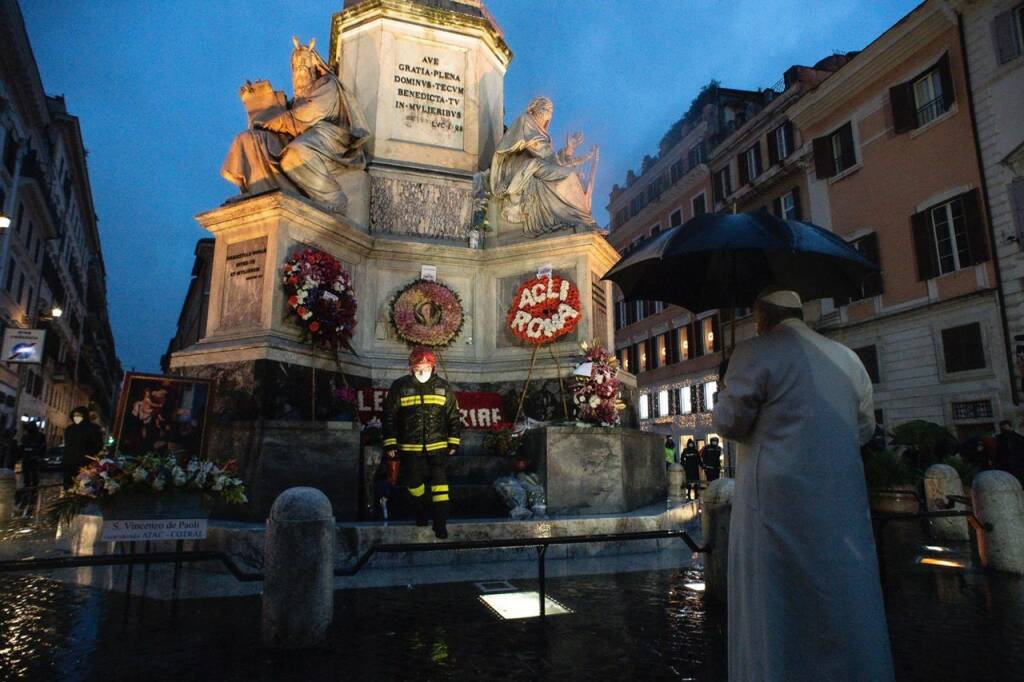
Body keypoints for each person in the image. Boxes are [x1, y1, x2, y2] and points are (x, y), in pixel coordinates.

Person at [712, 287, 893, 682]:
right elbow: (863, 429)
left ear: (762, 316)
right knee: (842, 597)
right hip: (839, 505)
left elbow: (729, 423)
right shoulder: (848, 359)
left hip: (775, 507)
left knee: (777, 610)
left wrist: (721, 391)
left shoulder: (754, 352)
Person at [222, 37, 369, 213]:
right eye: (296, 70)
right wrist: (257, 103)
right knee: (248, 139)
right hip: (299, 135)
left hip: (329, 136)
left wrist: (275, 121)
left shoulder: (327, 84)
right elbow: (277, 119)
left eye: (304, 68)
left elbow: (309, 113)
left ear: (314, 67)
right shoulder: (295, 100)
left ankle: (333, 198)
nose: (299, 73)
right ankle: (258, 191)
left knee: (295, 155)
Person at [382, 347, 462, 539]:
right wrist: (391, 444)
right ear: (411, 367)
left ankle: (440, 525)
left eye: (425, 367)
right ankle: (421, 511)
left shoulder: (444, 387)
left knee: (440, 487)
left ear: (433, 367)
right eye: (418, 367)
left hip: (438, 447)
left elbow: (453, 416)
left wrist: (453, 441)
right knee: (414, 484)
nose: (421, 370)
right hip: (410, 447)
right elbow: (389, 417)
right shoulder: (399, 387)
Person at [488, 96, 598, 235]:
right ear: (534, 108)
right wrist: (567, 160)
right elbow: (542, 153)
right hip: (523, 165)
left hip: (538, 163)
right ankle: (575, 220)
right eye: (545, 107)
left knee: (574, 178)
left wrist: (569, 149)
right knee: (569, 175)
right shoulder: (526, 120)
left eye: (551, 110)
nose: (549, 112)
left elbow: (548, 156)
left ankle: (579, 220)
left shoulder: (542, 131)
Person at [62, 406, 105, 490]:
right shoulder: (69, 429)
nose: (76, 418)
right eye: (75, 416)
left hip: (85, 463)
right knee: (69, 487)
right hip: (69, 463)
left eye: (79, 416)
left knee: (83, 486)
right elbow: (68, 446)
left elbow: (98, 445)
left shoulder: (93, 429)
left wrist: (87, 454)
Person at [16, 422, 46, 512]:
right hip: (27, 459)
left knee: (34, 476)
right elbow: (23, 446)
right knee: (27, 477)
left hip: (34, 459)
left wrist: (39, 456)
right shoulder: (26, 436)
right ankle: (28, 492)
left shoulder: (40, 436)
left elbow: (43, 448)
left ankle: (33, 493)